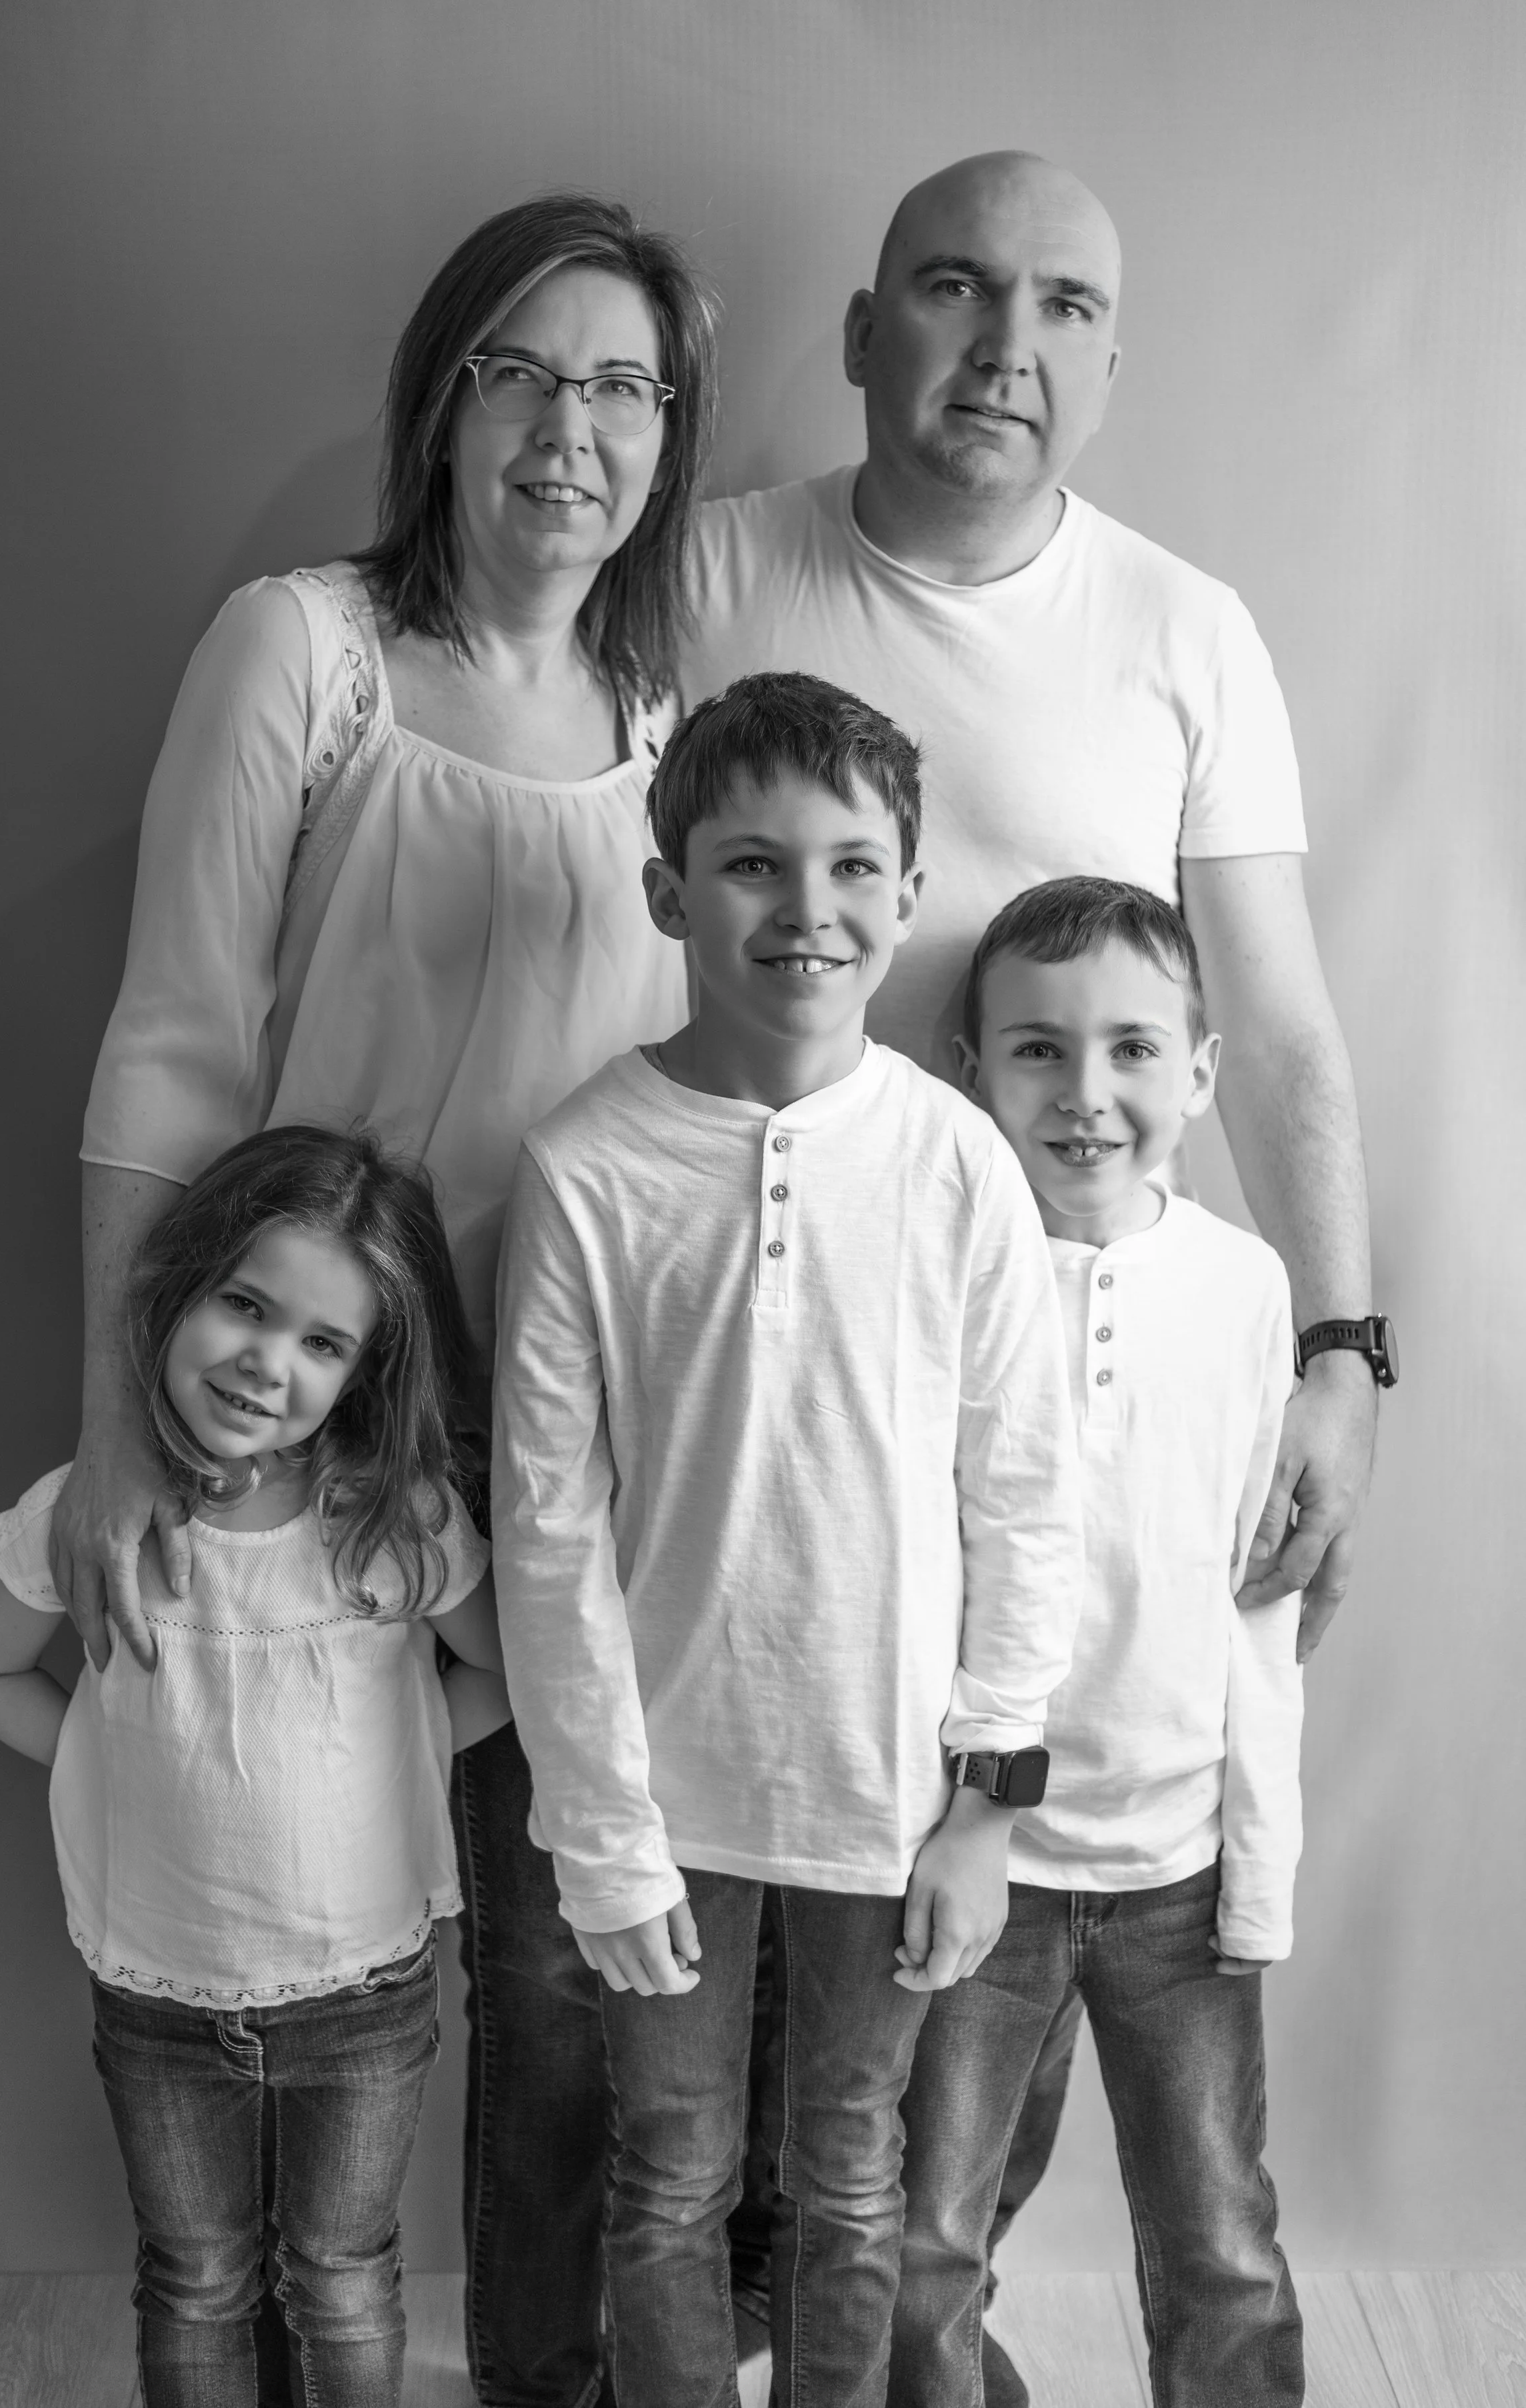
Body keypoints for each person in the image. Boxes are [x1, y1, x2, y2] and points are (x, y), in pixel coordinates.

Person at [683, 153, 1377, 2387]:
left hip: (1054, 1390)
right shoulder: (720, 567)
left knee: (960, 1989)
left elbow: (1269, 1021)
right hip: (784, 1366)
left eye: (1069, 306)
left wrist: (1345, 1352)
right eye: (960, 291)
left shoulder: (1185, 626)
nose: (1010, 347)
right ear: (871, 326)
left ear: (1110, 356)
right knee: (809, 1981)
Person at [46, 193, 721, 2407]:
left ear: (668, 432)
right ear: (441, 399)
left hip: (587, 1438)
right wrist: (128, 1422)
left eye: (624, 385)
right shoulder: (304, 647)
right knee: (301, 1917)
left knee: (554, 1955)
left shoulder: (663, 703)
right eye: (520, 370)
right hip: (324, 1427)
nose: (569, 428)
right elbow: (171, 1041)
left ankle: (538, 2372)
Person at [490, 674, 1085, 2405]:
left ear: (906, 894)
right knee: (668, 2174)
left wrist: (986, 1802)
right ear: (670, 891)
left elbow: (1022, 1494)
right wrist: (598, 1834)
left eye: (849, 866)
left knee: (848, 2176)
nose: (804, 909)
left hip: (888, 1798)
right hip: (661, 1800)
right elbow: (545, 1527)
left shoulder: (958, 1163)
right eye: (751, 863)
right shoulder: (584, 1163)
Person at [0, 1126, 504, 2408]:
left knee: (344, 2271)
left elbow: (498, 1678)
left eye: (324, 1342)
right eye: (246, 1306)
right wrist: (112, 1767)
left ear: (367, 1370)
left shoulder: (393, 1519)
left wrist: (396, 1770)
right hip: (158, 1987)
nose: (268, 1362)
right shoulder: (86, 1512)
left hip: (363, 1987)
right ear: (178, 1288)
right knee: (198, 2271)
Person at [887, 878, 1305, 2407]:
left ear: (1196, 1071)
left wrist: (1255, 1858)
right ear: (967, 1069)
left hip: (1176, 1874)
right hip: (975, 1862)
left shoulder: (1245, 1289)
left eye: (1132, 1049)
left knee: (1217, 2241)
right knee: (922, 2242)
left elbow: (1258, 1602)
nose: (1084, 1095)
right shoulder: (935, 1274)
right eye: (1036, 1053)